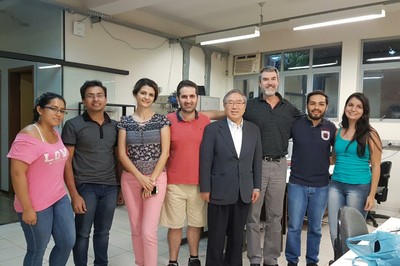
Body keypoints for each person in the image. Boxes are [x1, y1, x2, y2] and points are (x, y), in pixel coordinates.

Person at [7, 92, 75, 266]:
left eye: (62, 110)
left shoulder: (55, 132)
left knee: (67, 241)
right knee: (37, 249)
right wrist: (27, 208)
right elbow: (17, 174)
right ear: (40, 110)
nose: (58, 114)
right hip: (35, 204)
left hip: (59, 197)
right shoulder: (28, 135)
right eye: (53, 109)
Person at [245, 66, 301, 266]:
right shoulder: (249, 106)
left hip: (279, 166)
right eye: (265, 79)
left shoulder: (289, 108)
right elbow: (230, 115)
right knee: (252, 215)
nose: (269, 82)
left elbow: (307, 124)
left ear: (278, 81)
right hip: (255, 165)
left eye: (273, 79)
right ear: (260, 83)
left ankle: (271, 258)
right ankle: (254, 258)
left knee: (275, 216)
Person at [62, 80, 121, 266]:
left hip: (110, 187)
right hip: (85, 187)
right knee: (82, 233)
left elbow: (118, 158)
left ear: (106, 98)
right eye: (90, 95)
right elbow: (66, 162)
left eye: (99, 95)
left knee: (103, 232)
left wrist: (120, 189)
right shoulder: (73, 125)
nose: (96, 99)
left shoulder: (116, 126)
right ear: (83, 100)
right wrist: (74, 194)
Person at [200, 89, 262, 266]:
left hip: (244, 191)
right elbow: (205, 161)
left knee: (236, 239)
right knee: (216, 239)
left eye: (239, 103)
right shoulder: (212, 129)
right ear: (224, 106)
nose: (234, 106)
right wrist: (205, 188)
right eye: (230, 103)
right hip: (218, 191)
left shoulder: (253, 129)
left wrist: (256, 186)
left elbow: (256, 160)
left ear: (245, 106)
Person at [117, 78, 171, 266]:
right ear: (135, 94)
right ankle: (140, 262)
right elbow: (122, 154)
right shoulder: (125, 121)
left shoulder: (161, 120)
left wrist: (151, 180)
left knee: (148, 231)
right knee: (136, 228)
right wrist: (140, 178)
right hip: (131, 179)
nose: (146, 97)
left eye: (150, 94)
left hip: (156, 180)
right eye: (143, 93)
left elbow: (165, 152)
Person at [159, 80, 210, 266]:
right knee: (175, 225)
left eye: (192, 96)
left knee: (196, 224)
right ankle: (173, 261)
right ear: (178, 98)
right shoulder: (168, 120)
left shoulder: (205, 120)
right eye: (184, 96)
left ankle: (193, 258)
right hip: (174, 183)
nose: (188, 100)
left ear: (197, 98)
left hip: (199, 183)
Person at [285, 91, 336, 266]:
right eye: (313, 103)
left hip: (321, 186)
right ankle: (292, 261)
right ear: (307, 105)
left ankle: (312, 261)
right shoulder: (296, 125)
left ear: (326, 106)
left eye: (321, 104)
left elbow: (336, 154)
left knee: (315, 228)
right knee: (294, 227)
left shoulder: (331, 128)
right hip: (297, 184)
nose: (316, 107)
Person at [328, 92, 382, 256]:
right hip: (336, 185)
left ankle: (353, 259)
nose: (353, 109)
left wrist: (372, 195)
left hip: (358, 187)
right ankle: (339, 259)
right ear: (345, 108)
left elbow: (376, 166)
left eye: (359, 106)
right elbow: (334, 160)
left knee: (352, 233)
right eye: (350, 105)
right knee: (334, 230)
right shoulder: (339, 132)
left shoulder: (371, 134)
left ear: (364, 111)